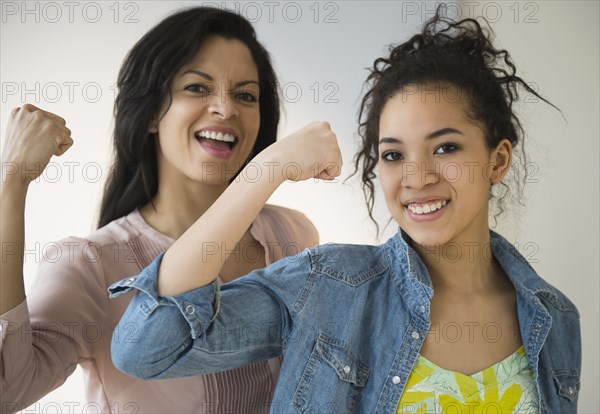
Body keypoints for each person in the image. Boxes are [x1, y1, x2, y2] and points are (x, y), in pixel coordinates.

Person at [109, 9, 581, 414]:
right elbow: (146, 348)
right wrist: (262, 171)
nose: (416, 178)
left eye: (446, 148)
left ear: (497, 160)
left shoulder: (555, 317)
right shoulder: (327, 287)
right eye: (394, 155)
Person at [0, 7, 327, 413]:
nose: (226, 109)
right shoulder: (92, 265)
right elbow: (7, 390)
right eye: (197, 88)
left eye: (245, 95)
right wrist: (12, 182)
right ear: (153, 112)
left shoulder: (293, 234)